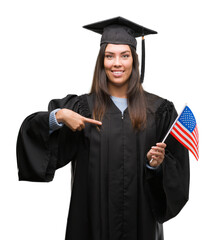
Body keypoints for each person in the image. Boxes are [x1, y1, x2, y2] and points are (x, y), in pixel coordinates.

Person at [17, 17, 190, 240]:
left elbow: (177, 173)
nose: (117, 63)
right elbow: (34, 135)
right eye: (110, 56)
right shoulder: (81, 108)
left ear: (134, 60)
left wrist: (156, 167)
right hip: (90, 227)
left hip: (142, 228)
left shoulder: (159, 112)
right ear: (102, 61)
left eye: (124, 55)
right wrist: (58, 117)